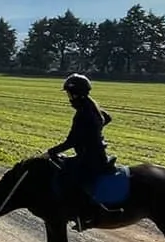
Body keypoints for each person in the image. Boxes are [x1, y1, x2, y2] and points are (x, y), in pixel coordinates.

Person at [45, 73, 115, 229]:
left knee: (67, 177)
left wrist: (50, 152)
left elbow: (71, 142)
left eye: (69, 94)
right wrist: (94, 131)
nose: (69, 98)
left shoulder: (83, 113)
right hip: (96, 155)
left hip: (90, 159)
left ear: (75, 94)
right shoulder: (91, 106)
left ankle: (84, 216)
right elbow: (108, 118)